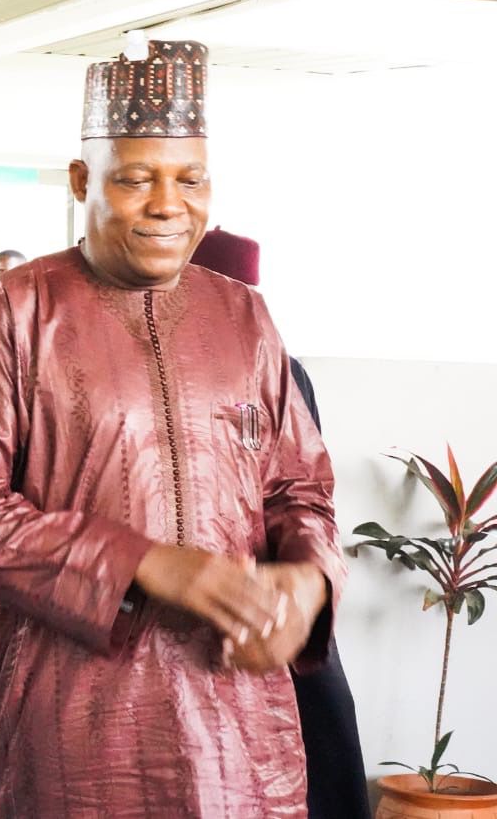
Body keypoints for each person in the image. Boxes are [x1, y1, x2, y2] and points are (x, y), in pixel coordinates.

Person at [0, 40, 346, 816]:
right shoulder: (19, 310)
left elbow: (300, 491)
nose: (167, 204)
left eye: (190, 179)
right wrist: (147, 564)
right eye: (136, 178)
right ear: (83, 179)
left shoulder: (245, 316)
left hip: (237, 734)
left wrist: (307, 579)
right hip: (64, 728)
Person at [190, 226, 371, 819]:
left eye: (245, 296)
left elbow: (304, 487)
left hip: (281, 590)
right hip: (199, 594)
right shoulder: (159, 377)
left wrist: (303, 578)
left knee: (323, 730)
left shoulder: (283, 371)